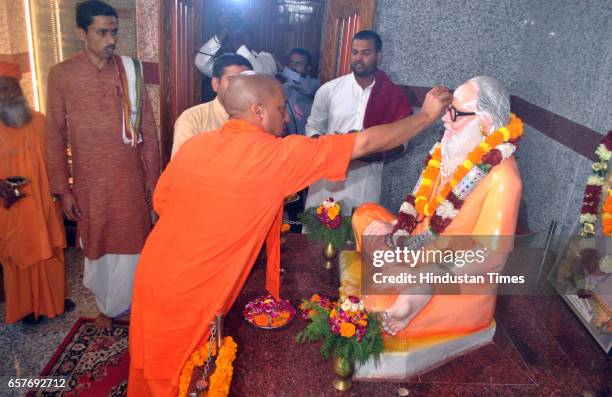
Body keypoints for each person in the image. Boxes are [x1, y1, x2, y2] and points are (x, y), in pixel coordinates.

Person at [127, 74, 451, 396]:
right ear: (257, 111)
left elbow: (162, 202)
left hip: (152, 273)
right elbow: (364, 142)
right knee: (178, 380)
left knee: (148, 370)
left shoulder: (196, 145)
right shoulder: (275, 155)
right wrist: (424, 116)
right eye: (281, 108)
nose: (287, 116)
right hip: (192, 293)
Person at [353, 76, 523, 337]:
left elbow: (492, 258)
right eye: (447, 110)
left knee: (372, 307)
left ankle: (405, 286)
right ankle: (404, 282)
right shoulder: (447, 151)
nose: (444, 119)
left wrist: (428, 276)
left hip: (453, 281)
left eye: (455, 113)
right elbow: (420, 213)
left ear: (485, 125)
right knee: (364, 214)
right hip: (415, 252)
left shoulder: (503, 178)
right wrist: (395, 228)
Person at [46, 0, 160, 329]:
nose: (111, 40)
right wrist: (61, 190)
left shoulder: (130, 71)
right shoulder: (62, 75)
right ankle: (106, 307)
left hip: (129, 180)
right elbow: (53, 135)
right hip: (89, 183)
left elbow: (149, 133)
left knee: (133, 245)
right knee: (97, 247)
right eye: (102, 32)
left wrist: (153, 180)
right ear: (81, 33)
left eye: (115, 32)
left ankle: (135, 305)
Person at [305, 30, 413, 213]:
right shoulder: (329, 90)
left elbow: (402, 140)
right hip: (327, 177)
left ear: (379, 56)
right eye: (354, 52)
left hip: (365, 177)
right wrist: (326, 146)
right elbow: (313, 125)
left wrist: (375, 151)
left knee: (357, 233)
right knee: (316, 232)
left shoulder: (393, 96)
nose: (358, 58)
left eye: (366, 53)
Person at [0, 61, 71, 324]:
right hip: (12, 207)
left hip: (45, 203)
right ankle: (27, 308)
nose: (8, 94)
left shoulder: (40, 121)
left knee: (52, 249)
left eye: (12, 88)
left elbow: (58, 159)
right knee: (20, 257)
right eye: (2, 90)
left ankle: (55, 301)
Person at [172, 53, 252, 158]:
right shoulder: (193, 119)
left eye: (245, 82)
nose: (239, 87)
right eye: (232, 80)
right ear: (215, 84)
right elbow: (181, 168)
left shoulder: (257, 118)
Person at [195, 13, 277, 77]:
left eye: (244, 34)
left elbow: (258, 75)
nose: (240, 37)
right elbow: (201, 63)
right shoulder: (226, 63)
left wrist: (236, 39)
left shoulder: (266, 57)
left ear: (253, 37)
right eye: (239, 34)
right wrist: (222, 33)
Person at [279, 48, 320, 135]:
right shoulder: (281, 81)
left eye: (298, 64)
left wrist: (286, 72)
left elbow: (307, 88)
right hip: (285, 136)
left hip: (305, 137)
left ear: (308, 68)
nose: (293, 67)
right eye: (291, 62)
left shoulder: (314, 84)